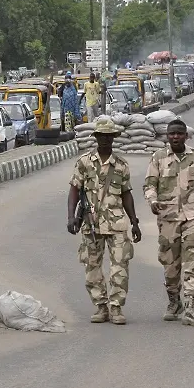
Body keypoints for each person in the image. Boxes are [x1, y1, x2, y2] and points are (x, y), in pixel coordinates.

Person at [67, 119, 141, 325]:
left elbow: (127, 194)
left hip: (116, 223)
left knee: (120, 265)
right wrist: (71, 216)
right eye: (102, 136)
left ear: (114, 138)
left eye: (109, 136)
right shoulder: (84, 162)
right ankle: (101, 306)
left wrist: (134, 221)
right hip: (91, 222)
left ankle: (116, 307)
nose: (106, 140)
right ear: (96, 137)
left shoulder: (121, 165)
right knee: (92, 266)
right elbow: (74, 189)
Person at [143, 119, 194, 327]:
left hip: (192, 217)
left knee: (193, 263)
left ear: (185, 135)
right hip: (167, 218)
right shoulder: (158, 158)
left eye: (179, 133)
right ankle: (174, 303)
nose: (175, 137)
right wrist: (152, 200)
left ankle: (192, 309)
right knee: (170, 266)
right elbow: (149, 184)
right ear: (167, 136)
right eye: (171, 133)